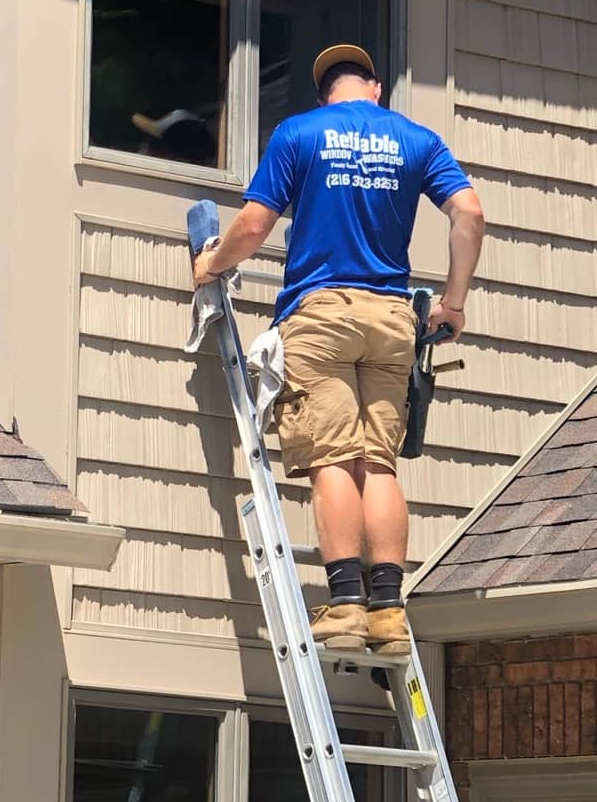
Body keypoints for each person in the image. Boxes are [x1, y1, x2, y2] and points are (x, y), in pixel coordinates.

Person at [192, 44, 485, 656]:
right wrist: (453, 303)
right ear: (375, 89)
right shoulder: (417, 140)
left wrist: (211, 265)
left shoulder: (300, 133)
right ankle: (389, 613)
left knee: (332, 457)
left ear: (325, 93)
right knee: (377, 462)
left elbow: (254, 225)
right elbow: (469, 212)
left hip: (321, 315)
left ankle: (347, 604)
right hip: (391, 318)